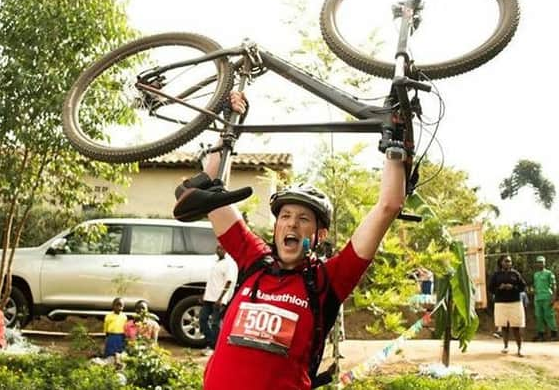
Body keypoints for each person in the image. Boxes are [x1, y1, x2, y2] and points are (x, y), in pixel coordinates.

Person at [173, 91, 406, 389]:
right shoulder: (254, 260)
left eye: (303, 218)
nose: (292, 223)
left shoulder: (327, 280)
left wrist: (395, 141)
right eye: (285, 216)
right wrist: (227, 122)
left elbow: (388, 206)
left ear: (319, 235)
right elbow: (209, 191)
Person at [199, 245, 237, 356]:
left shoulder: (229, 263)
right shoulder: (216, 262)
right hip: (209, 297)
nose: (218, 250)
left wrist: (221, 299)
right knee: (202, 319)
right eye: (217, 248)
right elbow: (212, 281)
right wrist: (204, 295)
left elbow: (229, 282)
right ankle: (211, 341)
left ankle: (213, 347)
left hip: (219, 299)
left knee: (215, 323)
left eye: (221, 248)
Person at [488, 255, 526, 357]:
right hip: (501, 303)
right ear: (501, 263)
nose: (508, 263)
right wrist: (499, 288)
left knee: (516, 327)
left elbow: (523, 287)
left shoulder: (515, 274)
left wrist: (513, 287)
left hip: (515, 303)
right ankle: (506, 346)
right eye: (506, 261)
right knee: (504, 326)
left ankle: (519, 348)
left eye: (510, 261)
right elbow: (490, 288)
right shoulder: (496, 275)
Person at [531, 255, 557, 341]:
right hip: (538, 298)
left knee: (549, 315)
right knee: (539, 316)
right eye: (538, 262)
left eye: (541, 262)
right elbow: (535, 286)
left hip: (547, 297)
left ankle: (554, 333)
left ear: (544, 263)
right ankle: (541, 335)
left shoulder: (549, 273)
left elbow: (554, 286)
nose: (540, 264)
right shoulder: (535, 274)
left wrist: (554, 298)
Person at [104, 297, 127, 367]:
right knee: (110, 349)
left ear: (123, 307)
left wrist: (124, 335)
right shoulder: (109, 316)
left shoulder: (124, 316)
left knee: (119, 349)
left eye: (121, 306)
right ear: (113, 306)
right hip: (111, 335)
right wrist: (106, 333)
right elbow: (106, 324)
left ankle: (118, 362)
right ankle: (109, 361)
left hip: (120, 336)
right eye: (117, 305)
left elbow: (125, 326)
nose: (119, 307)